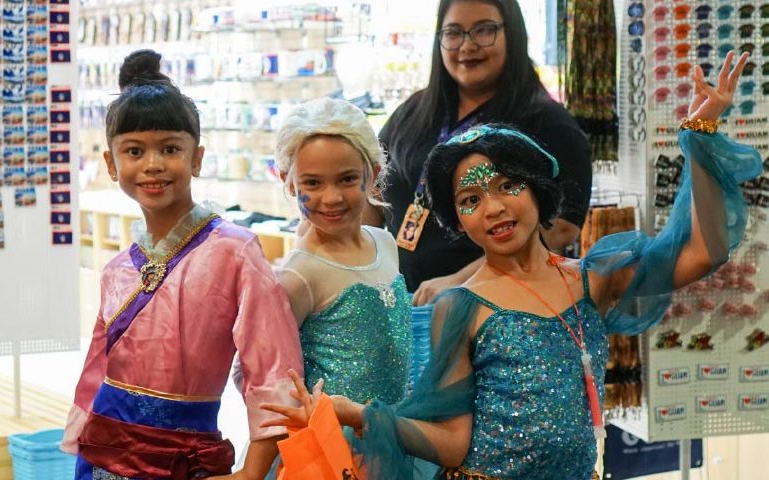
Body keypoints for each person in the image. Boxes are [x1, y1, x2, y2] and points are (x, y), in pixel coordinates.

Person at [262, 52, 760, 479]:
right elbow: (452, 442)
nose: (494, 208)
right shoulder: (459, 307)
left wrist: (700, 137)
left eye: (507, 186)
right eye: (471, 199)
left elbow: (704, 252)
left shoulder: (591, 280)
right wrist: (358, 414)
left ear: (537, 190)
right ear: (459, 219)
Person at [61, 49, 303, 480]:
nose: (153, 164)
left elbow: (272, 370)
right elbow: (97, 370)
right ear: (111, 164)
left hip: (183, 461)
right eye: (134, 151)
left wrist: (252, 472)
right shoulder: (117, 269)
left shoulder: (235, 252)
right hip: (101, 457)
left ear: (197, 158)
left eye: (170, 148)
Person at [370, 0, 593, 305]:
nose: (467, 46)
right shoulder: (413, 112)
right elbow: (371, 192)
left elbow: (560, 228)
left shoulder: (547, 122)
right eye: (454, 33)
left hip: (497, 312)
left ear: (512, 34)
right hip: (405, 307)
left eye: (484, 30)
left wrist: (462, 283)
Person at [268, 97, 413, 476]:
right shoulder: (299, 276)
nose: (331, 197)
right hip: (333, 450)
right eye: (312, 183)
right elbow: (261, 371)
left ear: (373, 173)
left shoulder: (385, 242)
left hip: (392, 432)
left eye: (347, 179)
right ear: (288, 183)